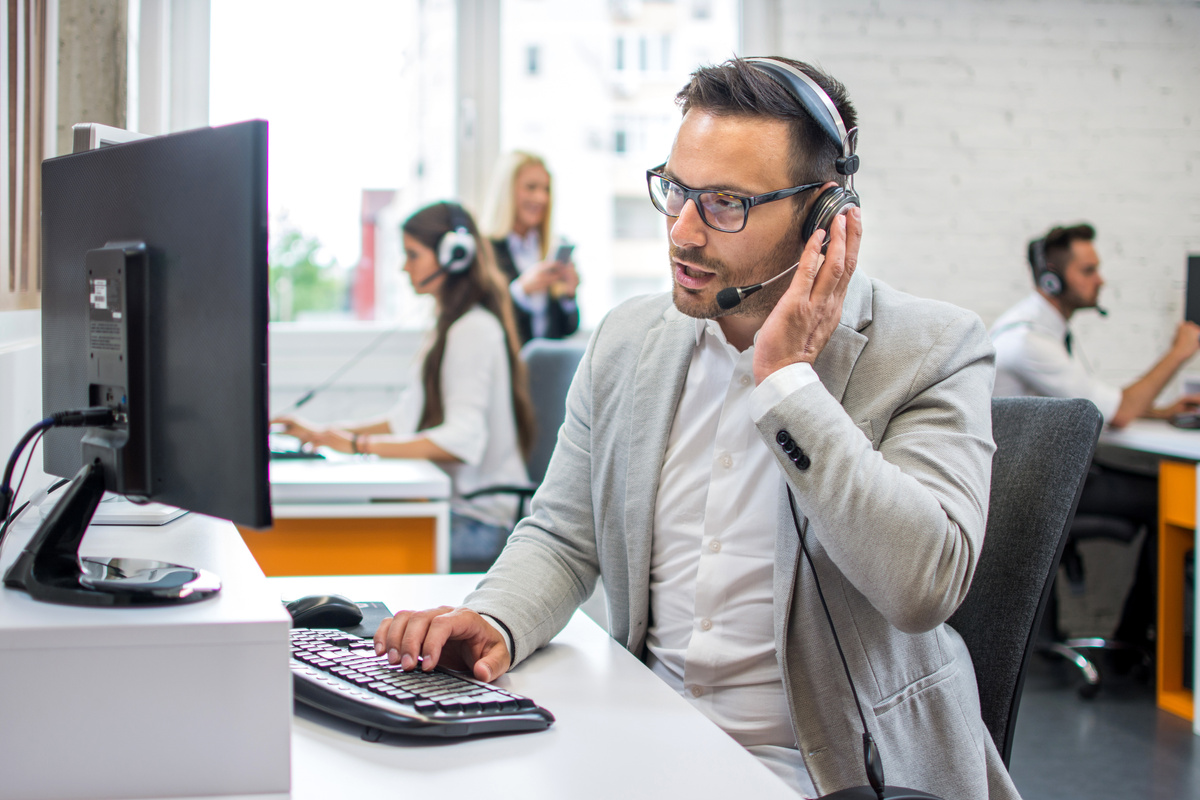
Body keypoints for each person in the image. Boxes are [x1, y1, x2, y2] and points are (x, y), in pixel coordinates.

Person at [375, 58, 1017, 799]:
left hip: (828, 769)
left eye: (724, 204)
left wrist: (787, 384)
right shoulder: (628, 342)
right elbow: (561, 536)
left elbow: (923, 586)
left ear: (823, 218)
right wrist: (495, 620)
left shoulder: (932, 349)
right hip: (638, 732)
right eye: (676, 190)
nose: (682, 231)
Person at [274, 202, 536, 572]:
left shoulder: (473, 330)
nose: (403, 266)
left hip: (480, 521)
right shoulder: (448, 327)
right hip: (456, 508)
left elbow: (461, 439)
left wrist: (354, 446)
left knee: (346, 547)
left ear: (454, 257)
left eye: (413, 255)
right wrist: (325, 434)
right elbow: (404, 421)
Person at [991, 223, 1200, 653]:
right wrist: (1179, 353)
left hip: (1036, 479)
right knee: (1170, 497)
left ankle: (1138, 639)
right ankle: (1146, 644)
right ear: (1052, 279)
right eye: (1088, 270)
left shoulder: (1037, 330)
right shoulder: (1028, 342)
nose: (1100, 279)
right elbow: (1117, 412)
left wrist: (1161, 411)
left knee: (1166, 492)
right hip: (1036, 491)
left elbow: (1092, 403)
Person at [483, 151, 580, 344]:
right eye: (531, 187)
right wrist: (521, 291)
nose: (541, 198)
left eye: (546, 189)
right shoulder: (485, 250)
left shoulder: (552, 247)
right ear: (507, 191)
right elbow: (485, 322)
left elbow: (568, 328)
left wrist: (568, 294)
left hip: (547, 367)